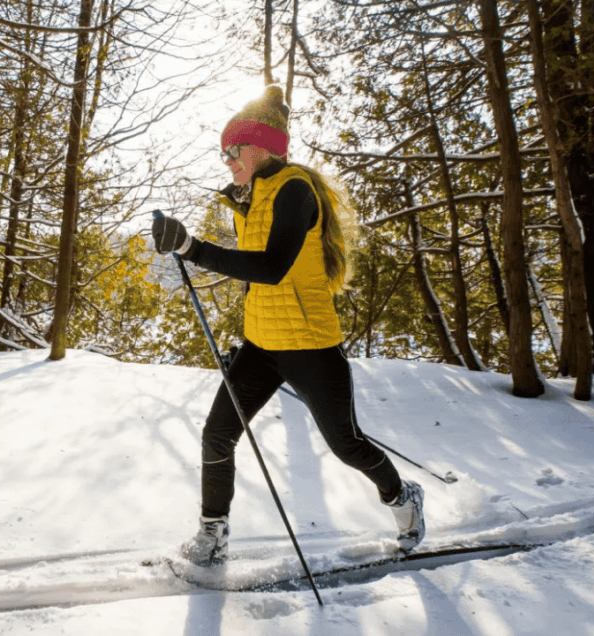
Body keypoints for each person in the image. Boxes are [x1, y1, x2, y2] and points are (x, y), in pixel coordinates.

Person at [151, 85, 425, 567]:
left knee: (347, 445)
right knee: (218, 432)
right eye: (224, 153)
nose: (227, 160)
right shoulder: (251, 199)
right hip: (261, 346)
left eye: (232, 151)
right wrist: (242, 341)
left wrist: (193, 248)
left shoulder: (295, 189)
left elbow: (273, 267)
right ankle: (213, 535)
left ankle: (402, 497)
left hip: (312, 346)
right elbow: (258, 284)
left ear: (259, 147)